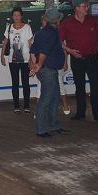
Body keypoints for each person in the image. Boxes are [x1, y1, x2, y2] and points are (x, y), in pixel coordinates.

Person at [58, 0, 98, 122]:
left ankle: (97, 114)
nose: (87, 8)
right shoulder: (67, 22)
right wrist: (70, 51)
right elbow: (59, 41)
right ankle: (80, 113)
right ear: (76, 8)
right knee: (79, 87)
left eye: (86, 6)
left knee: (95, 86)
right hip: (76, 59)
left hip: (92, 58)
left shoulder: (94, 20)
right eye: (84, 6)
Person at [29, 8, 66, 137]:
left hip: (46, 69)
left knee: (53, 97)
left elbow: (33, 50)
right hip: (48, 69)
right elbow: (44, 51)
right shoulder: (53, 33)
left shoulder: (40, 33)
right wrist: (39, 64)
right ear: (57, 21)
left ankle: (54, 125)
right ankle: (41, 129)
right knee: (47, 99)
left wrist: (35, 65)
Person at [1, 7, 34, 113]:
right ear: (12, 16)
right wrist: (2, 56)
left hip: (25, 60)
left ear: (21, 16)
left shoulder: (27, 27)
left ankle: (27, 105)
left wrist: (32, 60)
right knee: (15, 83)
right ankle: (16, 106)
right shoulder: (9, 27)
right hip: (13, 60)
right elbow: (5, 42)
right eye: (14, 15)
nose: (16, 17)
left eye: (18, 15)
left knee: (26, 83)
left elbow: (30, 44)